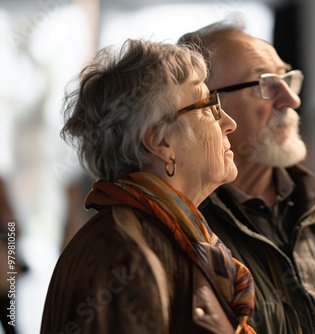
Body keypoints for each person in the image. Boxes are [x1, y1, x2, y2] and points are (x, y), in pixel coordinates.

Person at [179, 21, 315, 334]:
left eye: (287, 78)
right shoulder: (189, 223)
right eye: (265, 84)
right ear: (208, 106)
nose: (291, 100)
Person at [41, 39, 256, 334]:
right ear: (161, 142)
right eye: (209, 106)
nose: (228, 123)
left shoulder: (177, 236)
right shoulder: (122, 254)